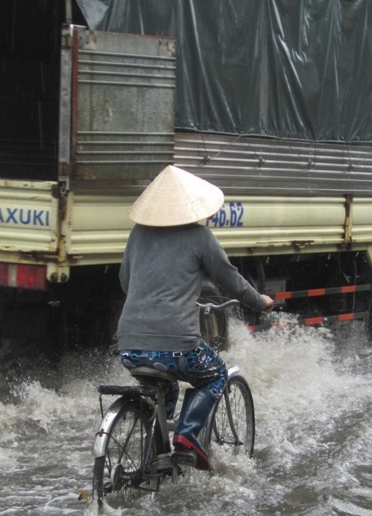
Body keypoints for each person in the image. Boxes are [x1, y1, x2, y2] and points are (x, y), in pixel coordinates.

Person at [116, 165, 274, 470]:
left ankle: (154, 460)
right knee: (215, 374)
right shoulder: (200, 237)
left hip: (130, 347)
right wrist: (260, 301)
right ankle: (186, 437)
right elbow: (231, 280)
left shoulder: (138, 234)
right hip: (177, 346)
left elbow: (126, 282)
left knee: (164, 391)